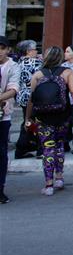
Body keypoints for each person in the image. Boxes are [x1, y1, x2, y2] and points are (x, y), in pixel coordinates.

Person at [24, 46, 73, 196]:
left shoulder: (38, 74)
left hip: (43, 117)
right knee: (59, 146)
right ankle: (59, 177)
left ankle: (48, 185)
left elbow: (32, 98)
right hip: (62, 115)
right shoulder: (67, 72)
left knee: (47, 148)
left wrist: (27, 117)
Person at [0, 36, 22, 203]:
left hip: (3, 115)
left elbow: (13, 89)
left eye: (2, 48)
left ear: (8, 50)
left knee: (1, 153)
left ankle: (0, 188)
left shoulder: (13, 66)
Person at [14, 40, 42, 159]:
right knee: (37, 121)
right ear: (28, 51)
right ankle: (34, 148)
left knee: (29, 120)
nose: (37, 52)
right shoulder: (35, 62)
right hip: (34, 95)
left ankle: (25, 147)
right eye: (35, 49)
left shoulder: (18, 62)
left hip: (22, 96)